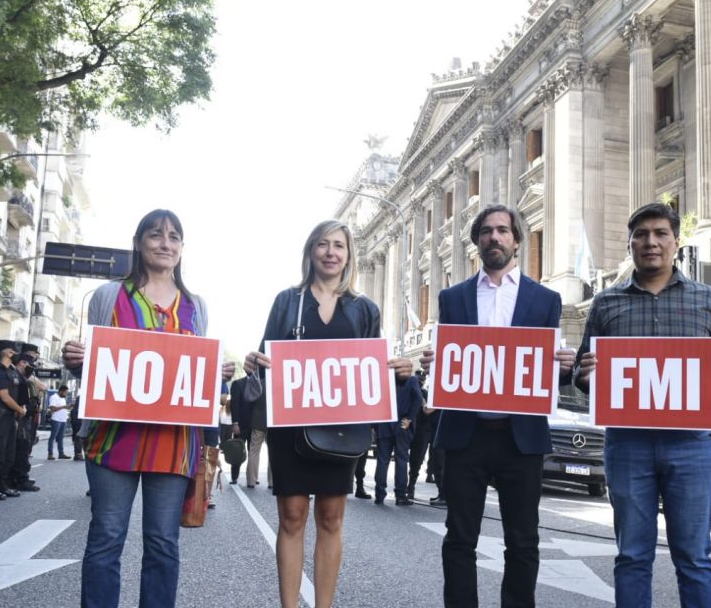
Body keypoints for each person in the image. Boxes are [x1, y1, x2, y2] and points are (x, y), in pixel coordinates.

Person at [574, 203, 711, 608]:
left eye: (660, 234)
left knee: (693, 557)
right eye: (641, 234)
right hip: (628, 446)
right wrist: (585, 375)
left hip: (692, 446)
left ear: (675, 242)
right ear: (631, 242)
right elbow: (583, 378)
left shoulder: (708, 301)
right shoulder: (605, 303)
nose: (650, 242)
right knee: (632, 556)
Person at [62, 209, 234, 608]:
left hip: (173, 444)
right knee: (105, 539)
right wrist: (77, 359)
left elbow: (192, 375)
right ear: (139, 242)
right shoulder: (108, 296)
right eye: (156, 235)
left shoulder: (196, 305)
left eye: (174, 237)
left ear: (181, 248)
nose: (165, 243)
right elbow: (94, 366)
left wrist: (216, 371)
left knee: (162, 543)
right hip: (112, 438)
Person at [244, 219, 412, 608]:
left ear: (349, 255)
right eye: (323, 244)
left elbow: (374, 373)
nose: (331, 252)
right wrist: (255, 360)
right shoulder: (287, 301)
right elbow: (265, 355)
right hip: (292, 427)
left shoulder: (364, 308)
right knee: (291, 516)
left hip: (342, 429)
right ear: (310, 252)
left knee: (332, 517)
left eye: (339, 245)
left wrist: (399, 373)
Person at [419, 204, 577, 608]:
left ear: (516, 241)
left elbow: (547, 374)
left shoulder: (545, 300)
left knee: (523, 541)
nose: (494, 237)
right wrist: (435, 364)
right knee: (459, 538)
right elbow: (450, 364)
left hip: (519, 439)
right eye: (487, 231)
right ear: (477, 242)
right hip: (465, 438)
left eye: (503, 230)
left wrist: (563, 367)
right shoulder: (452, 297)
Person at [0, 341, 26, 500]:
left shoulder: (13, 372)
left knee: (9, 455)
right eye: (15, 353)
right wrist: (20, 409)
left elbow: (23, 388)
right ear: (8, 353)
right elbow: (4, 397)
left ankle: (3, 485)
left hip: (10, 418)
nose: (17, 356)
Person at [374, 374, 423, 505]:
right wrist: (410, 418)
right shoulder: (411, 380)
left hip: (385, 422)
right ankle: (400, 495)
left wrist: (375, 424)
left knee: (382, 460)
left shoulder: (384, 379)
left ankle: (379, 494)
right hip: (403, 424)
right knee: (401, 459)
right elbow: (418, 399)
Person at [8, 352, 40, 492]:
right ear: (22, 362)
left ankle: (19, 478)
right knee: (20, 450)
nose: (31, 368)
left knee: (23, 449)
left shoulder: (22, 377)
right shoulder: (16, 377)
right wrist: (21, 411)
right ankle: (19, 479)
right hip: (20, 419)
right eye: (29, 365)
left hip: (25, 418)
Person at [47, 384, 71, 460]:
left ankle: (61, 453)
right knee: (53, 437)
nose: (66, 394)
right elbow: (52, 409)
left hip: (63, 420)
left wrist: (68, 407)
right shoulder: (53, 397)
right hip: (56, 420)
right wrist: (64, 407)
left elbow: (63, 408)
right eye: (65, 392)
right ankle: (50, 454)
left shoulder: (63, 398)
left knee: (60, 438)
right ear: (61, 391)